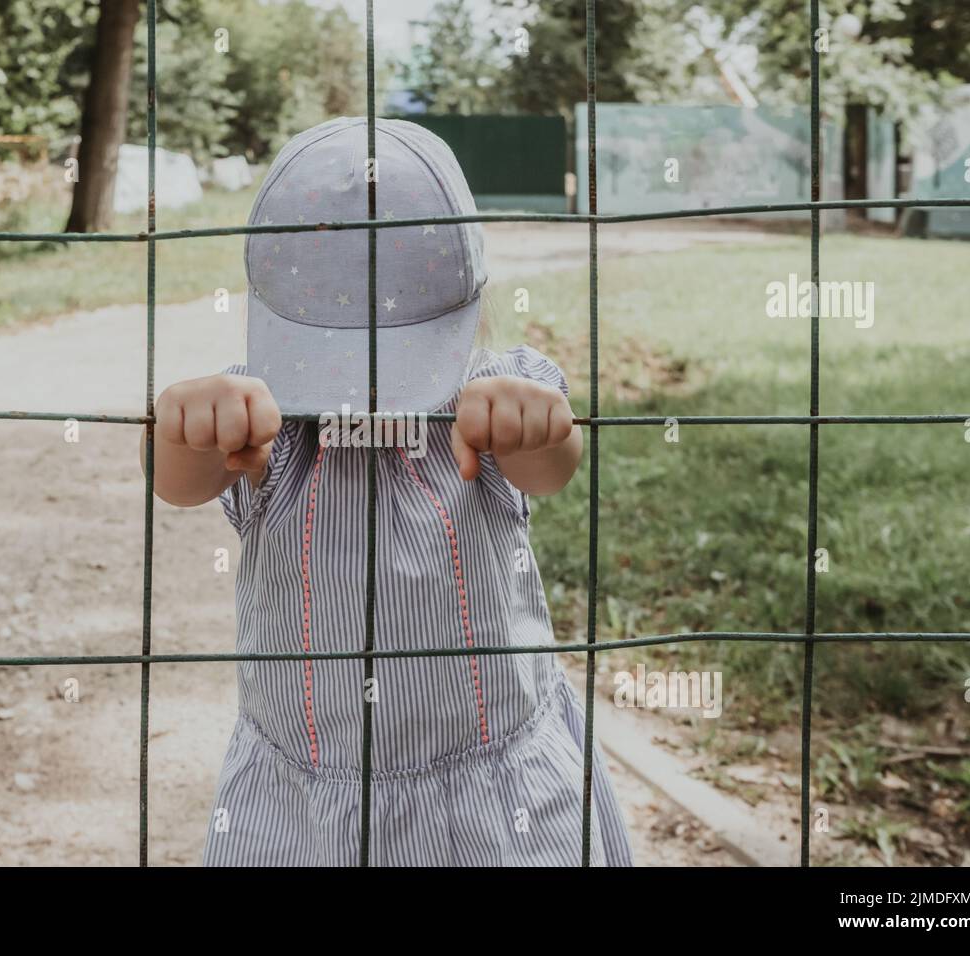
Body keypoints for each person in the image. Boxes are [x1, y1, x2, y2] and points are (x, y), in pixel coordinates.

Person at [146, 117, 633, 866]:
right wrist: (179, 427)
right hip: (305, 805)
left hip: (496, 798)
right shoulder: (265, 423)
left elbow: (554, 469)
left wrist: (538, 427)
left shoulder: (492, 396)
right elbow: (177, 484)